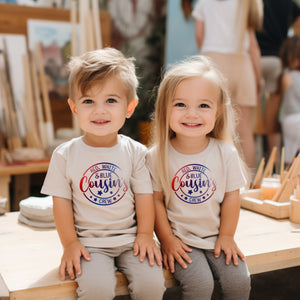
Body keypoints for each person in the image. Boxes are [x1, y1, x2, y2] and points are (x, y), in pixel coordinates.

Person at [41, 47, 165, 300]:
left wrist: (144, 235)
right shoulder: (65, 155)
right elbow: (61, 204)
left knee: (152, 284)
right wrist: (70, 244)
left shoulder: (136, 152)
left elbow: (144, 196)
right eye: (88, 101)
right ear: (74, 108)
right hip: (89, 245)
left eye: (111, 100)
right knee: (97, 289)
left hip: (132, 239)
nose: (99, 110)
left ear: (129, 107)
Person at [146, 55, 250, 300]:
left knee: (239, 281)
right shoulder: (156, 156)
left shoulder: (226, 153)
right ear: (164, 109)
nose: (191, 114)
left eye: (203, 106)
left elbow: (231, 197)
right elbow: (155, 201)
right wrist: (168, 240)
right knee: (201, 285)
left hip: (217, 237)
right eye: (180, 104)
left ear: (218, 112)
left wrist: (226, 236)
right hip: (181, 242)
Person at [192, 0, 263, 180]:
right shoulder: (246, 3)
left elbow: (200, 36)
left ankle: (210, 180)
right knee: (245, 129)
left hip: (212, 62)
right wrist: (258, 77)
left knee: (209, 127)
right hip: (243, 63)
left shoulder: (203, 3)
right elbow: (253, 45)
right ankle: (248, 183)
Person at [256, 0, 300, 161]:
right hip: (276, 60)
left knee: (250, 120)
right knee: (272, 122)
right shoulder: (289, 3)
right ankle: (274, 165)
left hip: (254, 59)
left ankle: (254, 163)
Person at [278, 35, 300, 162]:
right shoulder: (289, 76)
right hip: (295, 120)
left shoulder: (286, 75)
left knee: (291, 152)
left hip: (290, 120)